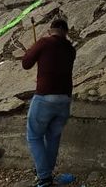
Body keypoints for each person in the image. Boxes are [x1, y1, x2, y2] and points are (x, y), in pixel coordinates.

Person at [21, 19, 76, 187]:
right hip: (64, 99)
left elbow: (26, 63)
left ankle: (44, 177)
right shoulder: (71, 49)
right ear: (66, 32)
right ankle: (47, 174)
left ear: (50, 30)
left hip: (45, 97)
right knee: (53, 138)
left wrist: (33, 49)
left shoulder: (44, 42)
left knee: (34, 136)